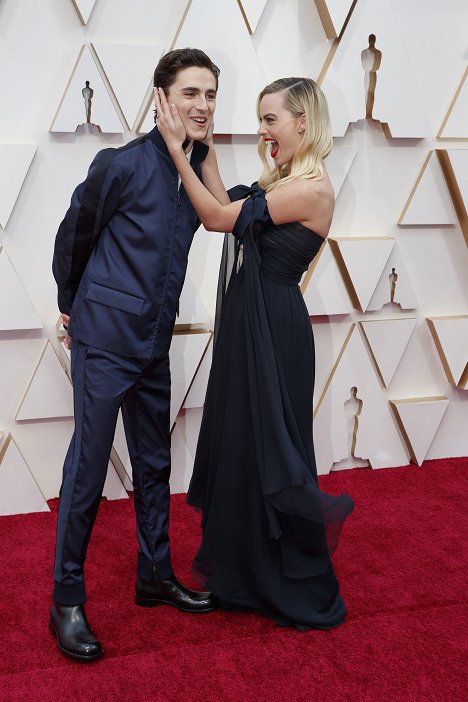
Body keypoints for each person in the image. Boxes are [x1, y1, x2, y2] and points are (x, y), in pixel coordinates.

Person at [154, 76, 354, 630]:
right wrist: (205, 150)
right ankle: (246, 572)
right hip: (252, 323)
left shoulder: (310, 187)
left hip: (276, 330)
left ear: (303, 124)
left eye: (271, 120)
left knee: (276, 447)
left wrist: (177, 152)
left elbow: (218, 220)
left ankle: (290, 579)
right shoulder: (283, 181)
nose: (264, 131)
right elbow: (229, 202)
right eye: (262, 119)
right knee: (246, 442)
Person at [49, 48, 223, 662]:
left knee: (154, 465)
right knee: (88, 468)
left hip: (154, 340)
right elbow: (76, 232)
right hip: (105, 338)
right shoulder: (120, 164)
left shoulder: (198, 164)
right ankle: (66, 597)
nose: (202, 106)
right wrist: (72, 303)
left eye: (210, 95)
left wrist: (199, 152)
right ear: (161, 97)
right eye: (191, 93)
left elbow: (223, 217)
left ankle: (155, 576)